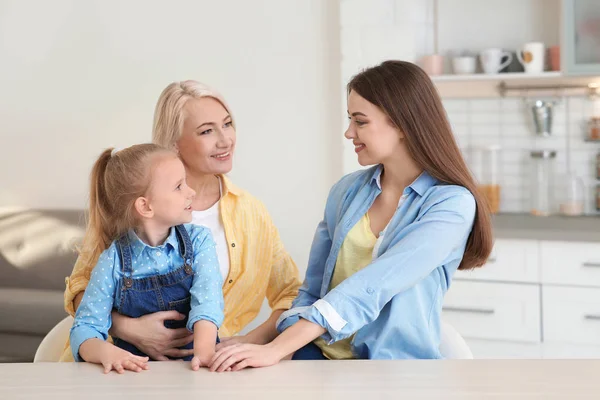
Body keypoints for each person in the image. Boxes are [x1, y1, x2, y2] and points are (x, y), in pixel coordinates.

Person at [208, 60, 493, 372]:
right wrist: (260, 341)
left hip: (394, 370)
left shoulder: (451, 204)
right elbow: (312, 291)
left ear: (400, 123)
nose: (348, 132)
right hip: (316, 357)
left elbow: (372, 286)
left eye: (360, 121)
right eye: (350, 120)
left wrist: (275, 349)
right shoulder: (346, 192)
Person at [61, 81, 301, 362]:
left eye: (227, 124)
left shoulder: (251, 213)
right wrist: (129, 329)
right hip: (119, 364)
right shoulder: (134, 204)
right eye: (207, 131)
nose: (225, 140)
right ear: (175, 144)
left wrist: (248, 342)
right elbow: (81, 286)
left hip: (201, 366)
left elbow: (291, 293)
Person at [70, 144, 223, 373]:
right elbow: (85, 328)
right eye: (179, 186)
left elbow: (208, 302)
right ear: (145, 206)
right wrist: (106, 352)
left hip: (193, 368)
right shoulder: (112, 261)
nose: (191, 192)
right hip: (136, 377)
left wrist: (204, 354)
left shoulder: (200, 241)